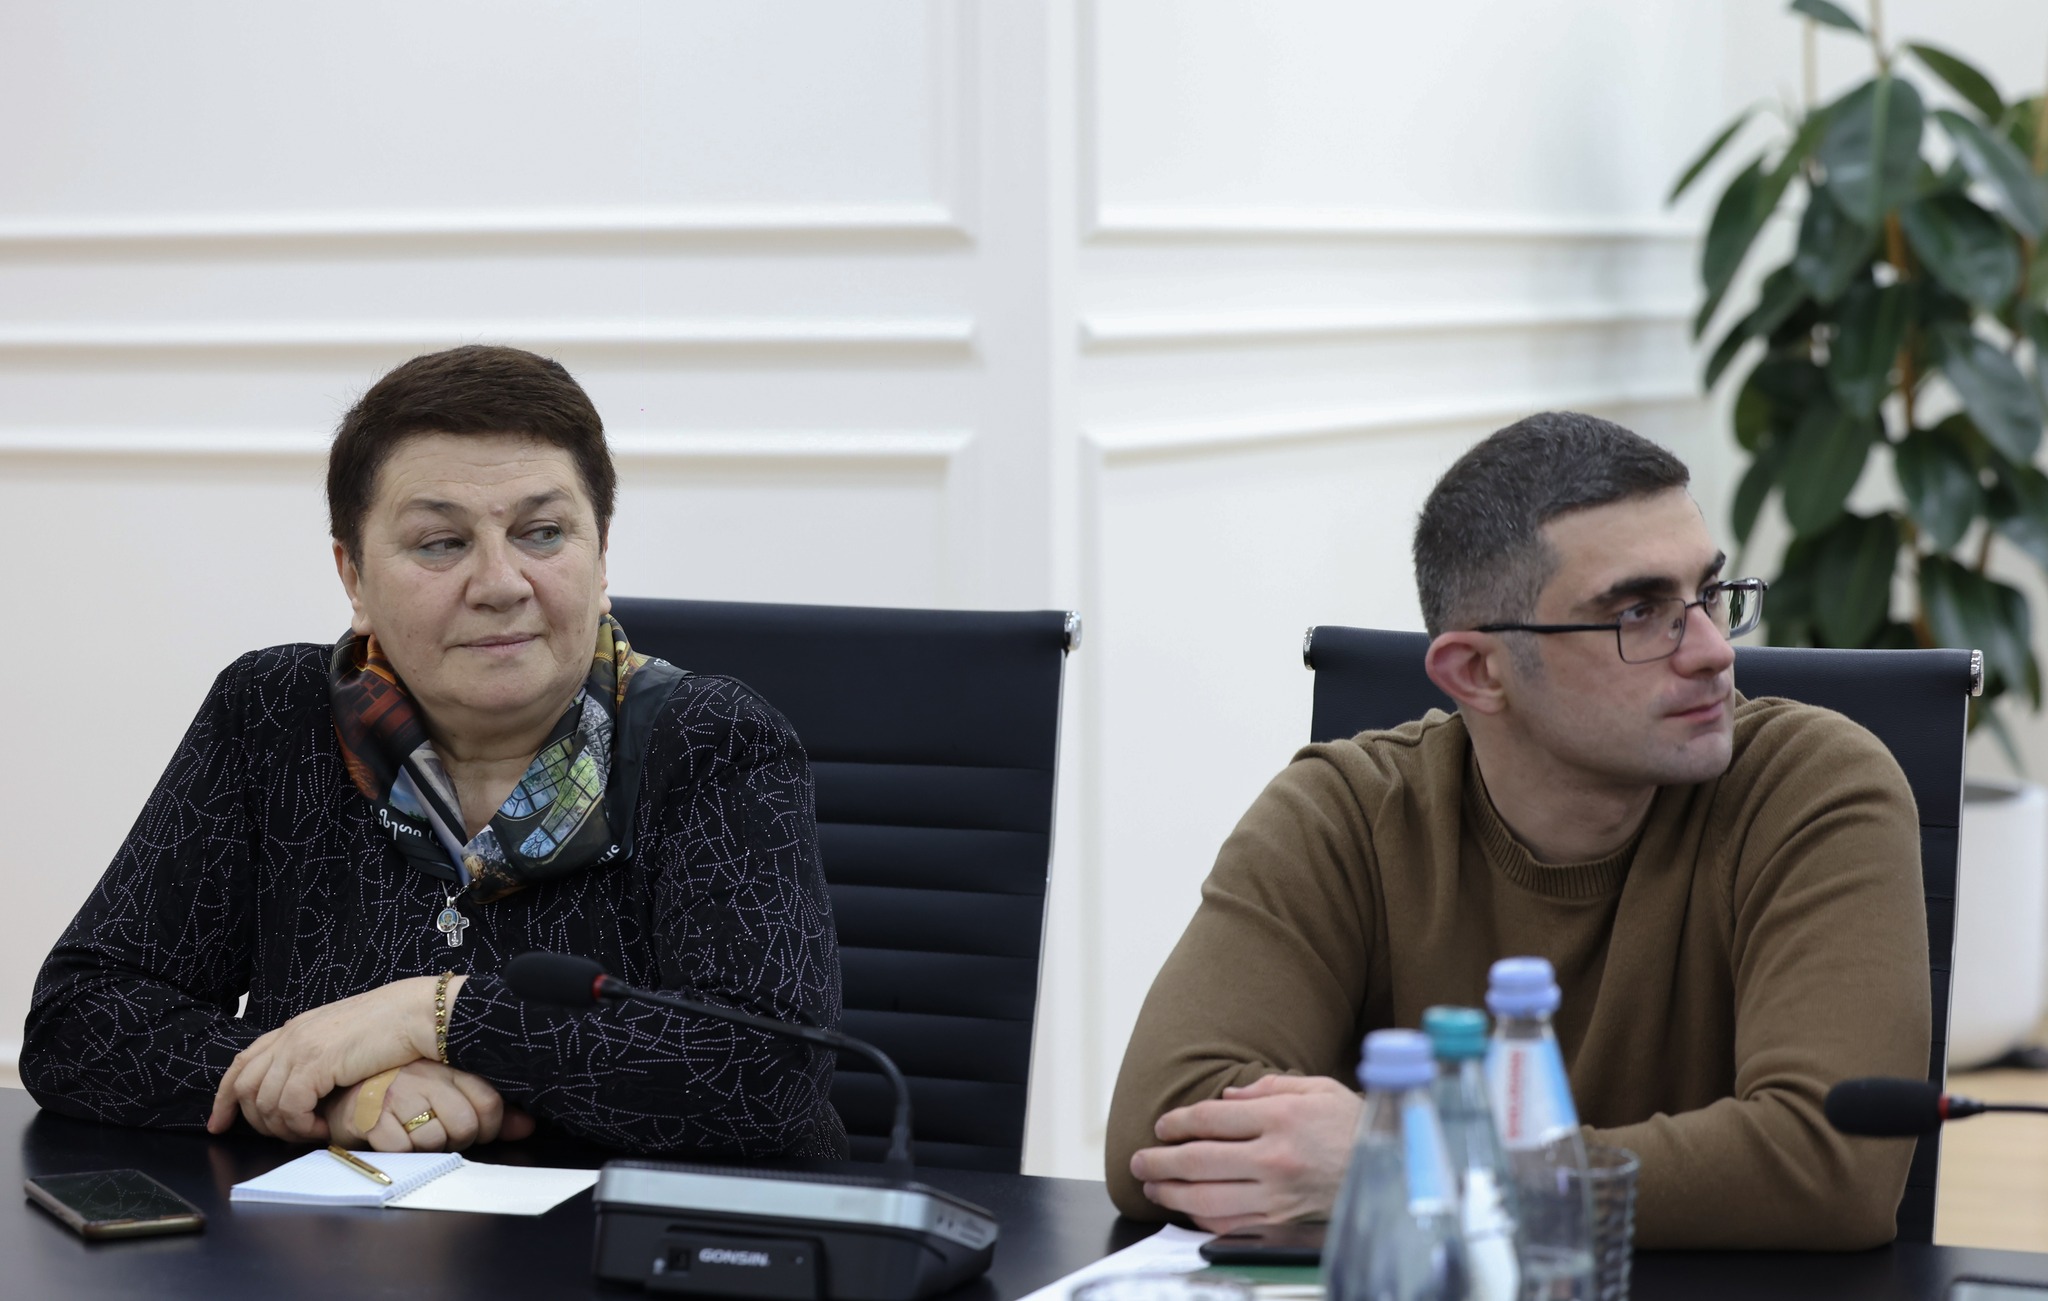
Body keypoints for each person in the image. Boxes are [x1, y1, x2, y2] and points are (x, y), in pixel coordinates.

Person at [1105, 412, 1930, 1250]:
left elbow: (1835, 1163)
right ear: (1477, 671)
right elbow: (1160, 1127)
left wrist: (1411, 1160)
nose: (1714, 650)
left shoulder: (1814, 787)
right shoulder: (1345, 811)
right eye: (1639, 611)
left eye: (1708, 594)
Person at [22, 345, 846, 1160]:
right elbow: (78, 1020)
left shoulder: (710, 739)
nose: (500, 583)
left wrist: (434, 1014)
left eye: (543, 533)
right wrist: (341, 1092)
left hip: (624, 1234)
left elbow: (767, 1074)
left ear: (601, 557)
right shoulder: (272, 715)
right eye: (440, 543)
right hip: (337, 1234)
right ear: (354, 578)